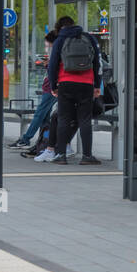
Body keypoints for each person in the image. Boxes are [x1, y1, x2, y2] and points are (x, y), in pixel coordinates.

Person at [43, 15, 102, 166]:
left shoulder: (60, 40)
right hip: (86, 84)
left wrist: (54, 86)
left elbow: (53, 65)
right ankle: (87, 156)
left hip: (65, 83)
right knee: (85, 120)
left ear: (59, 28)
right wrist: (97, 85)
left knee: (63, 119)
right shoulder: (88, 37)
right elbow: (97, 63)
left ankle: (61, 155)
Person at [12, 31, 57, 151]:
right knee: (45, 118)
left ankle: (26, 139)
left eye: (49, 43)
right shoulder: (58, 50)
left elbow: (56, 69)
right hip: (50, 87)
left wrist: (49, 64)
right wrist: (48, 64)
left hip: (51, 88)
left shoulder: (59, 50)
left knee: (39, 114)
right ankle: (44, 141)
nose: (49, 46)